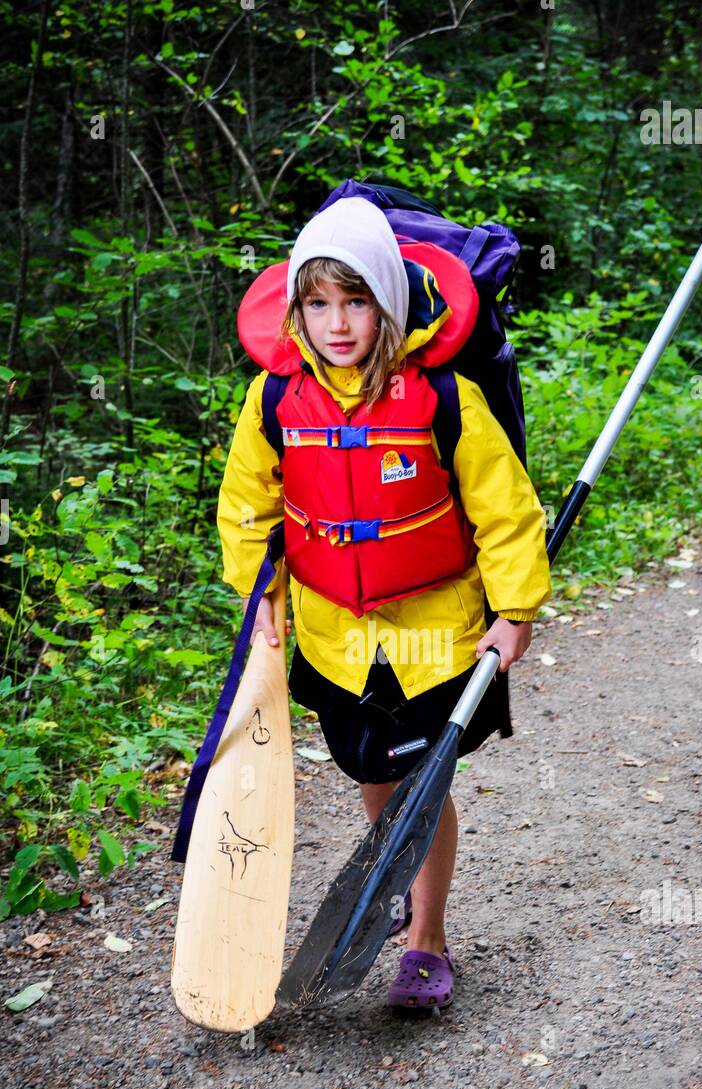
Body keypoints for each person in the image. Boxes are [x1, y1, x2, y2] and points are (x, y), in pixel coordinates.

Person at [217, 196, 551, 1010]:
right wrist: (259, 590)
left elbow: (504, 512)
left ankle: (425, 941)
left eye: (356, 300)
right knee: (374, 781)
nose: (336, 323)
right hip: (336, 641)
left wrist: (515, 610)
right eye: (318, 302)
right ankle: (395, 884)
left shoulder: (442, 399)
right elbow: (248, 505)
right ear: (296, 307)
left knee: (419, 788)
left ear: (389, 301)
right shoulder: (273, 401)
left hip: (435, 638)